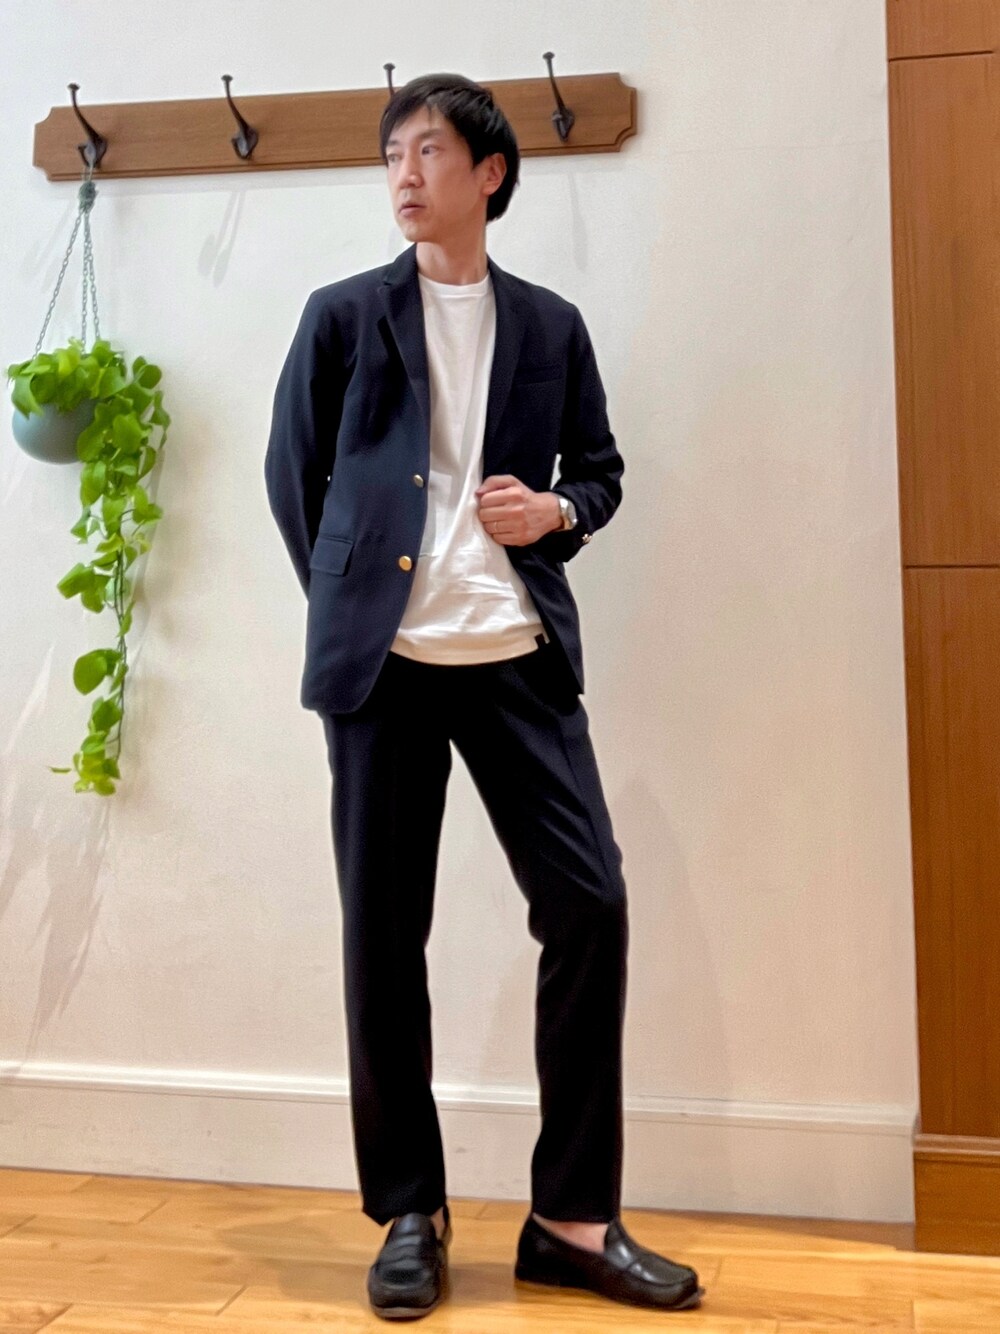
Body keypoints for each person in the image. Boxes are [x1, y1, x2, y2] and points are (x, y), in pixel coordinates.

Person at [264, 71, 704, 1321]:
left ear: (489, 173)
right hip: (385, 673)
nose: (404, 174)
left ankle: (570, 1218)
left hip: (516, 653)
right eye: (391, 154)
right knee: (381, 936)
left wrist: (553, 509)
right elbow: (294, 477)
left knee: (590, 903)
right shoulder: (342, 317)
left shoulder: (551, 327)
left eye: (428, 151)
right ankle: (409, 1207)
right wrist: (358, 604)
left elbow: (601, 471)